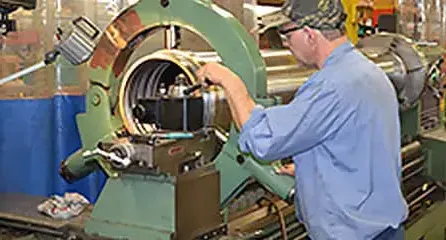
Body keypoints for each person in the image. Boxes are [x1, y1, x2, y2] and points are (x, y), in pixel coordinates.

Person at [196, 0, 408, 239]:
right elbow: (359, 148)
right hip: (383, 230)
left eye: (286, 34)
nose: (284, 44)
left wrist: (229, 81)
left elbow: (263, 140)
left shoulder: (332, 85)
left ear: (309, 34)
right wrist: (313, 169)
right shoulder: (368, 72)